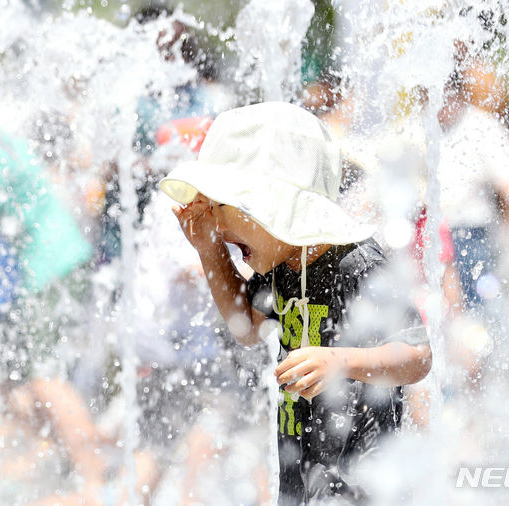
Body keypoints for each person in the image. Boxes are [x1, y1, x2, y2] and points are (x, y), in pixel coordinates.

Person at [159, 102, 432, 504]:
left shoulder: (358, 264)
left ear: (273, 205)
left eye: (223, 208)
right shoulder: (282, 264)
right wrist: (208, 249)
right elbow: (246, 328)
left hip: (362, 482)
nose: (215, 223)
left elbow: (418, 357)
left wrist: (342, 363)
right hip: (301, 479)